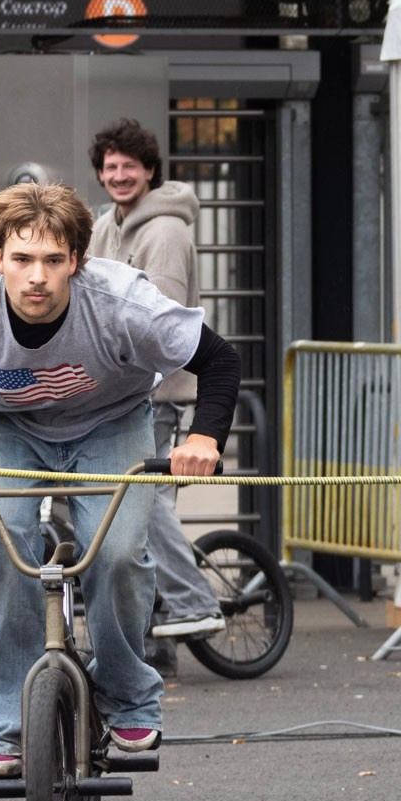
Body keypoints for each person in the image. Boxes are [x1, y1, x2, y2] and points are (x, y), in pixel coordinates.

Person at [0, 183, 239, 777]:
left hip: (110, 423)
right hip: (3, 426)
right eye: (22, 259)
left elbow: (219, 360)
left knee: (119, 552)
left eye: (54, 260)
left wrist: (204, 438)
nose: (37, 277)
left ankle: (128, 696)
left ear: (76, 260)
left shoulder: (121, 300)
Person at [89, 117, 226, 676]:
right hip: (114, 389)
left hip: (156, 389)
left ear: (150, 171)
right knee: (131, 509)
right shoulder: (106, 225)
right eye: (110, 167)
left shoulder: (165, 232)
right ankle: (154, 640)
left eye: (130, 166)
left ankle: (195, 602)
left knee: (142, 498)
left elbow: (161, 322)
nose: (119, 175)